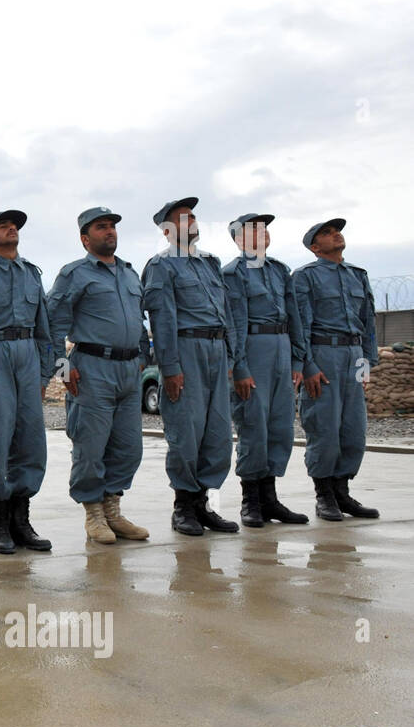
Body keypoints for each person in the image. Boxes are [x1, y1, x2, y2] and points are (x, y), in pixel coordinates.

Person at [46, 207, 151, 544]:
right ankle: (93, 514)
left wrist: (142, 360)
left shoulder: (130, 274)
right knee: (90, 445)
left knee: (129, 446)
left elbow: (139, 323)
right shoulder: (73, 274)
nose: (110, 232)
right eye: (101, 227)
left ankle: (113, 510)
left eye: (112, 227)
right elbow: (54, 324)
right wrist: (62, 368)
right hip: (91, 368)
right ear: (85, 238)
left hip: (128, 369)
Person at [141, 196, 239, 536]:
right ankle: (183, 506)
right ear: (168, 229)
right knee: (186, 433)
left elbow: (226, 313)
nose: (191, 221)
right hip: (186, 349)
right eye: (183, 217)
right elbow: (162, 320)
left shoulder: (211, 263)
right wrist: (170, 367)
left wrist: (230, 356)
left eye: (193, 216)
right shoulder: (161, 266)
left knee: (218, 435)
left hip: (216, 349)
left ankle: (202, 504)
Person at [0, 210, 57, 553]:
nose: (11, 228)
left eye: (14, 225)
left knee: (31, 440)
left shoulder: (32, 273)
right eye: (3, 226)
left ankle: (21, 520)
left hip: (27, 355)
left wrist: (46, 372)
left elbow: (45, 328)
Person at [222, 213, 308, 526]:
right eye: (254, 228)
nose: (263, 232)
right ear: (239, 238)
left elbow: (294, 316)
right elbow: (233, 324)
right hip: (254, 350)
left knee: (281, 426)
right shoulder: (233, 274)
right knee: (253, 425)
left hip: (282, 350)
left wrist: (298, 360)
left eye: (265, 227)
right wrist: (239, 366)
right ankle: (251, 500)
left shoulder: (280, 271)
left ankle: (270, 499)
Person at [292, 218, 380, 520]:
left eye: (337, 230)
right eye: (327, 233)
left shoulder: (358, 275)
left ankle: (342, 493)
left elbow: (368, 322)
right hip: (323, 352)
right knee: (324, 428)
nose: (336, 235)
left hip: (354, 355)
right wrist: (308, 365)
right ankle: (324, 495)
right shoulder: (305, 277)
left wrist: (366, 364)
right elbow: (300, 324)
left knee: (354, 430)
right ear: (315, 247)